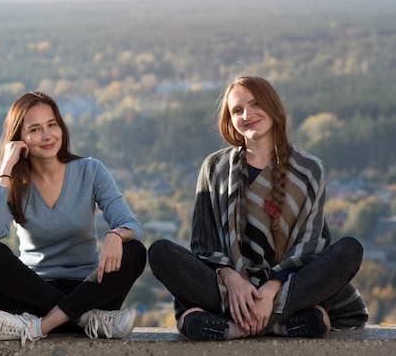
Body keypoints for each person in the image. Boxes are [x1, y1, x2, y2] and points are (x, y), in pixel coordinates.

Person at [148, 76, 368, 341]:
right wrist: (233, 280)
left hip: (287, 285)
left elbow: (310, 246)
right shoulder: (214, 168)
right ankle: (281, 324)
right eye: (237, 110)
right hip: (226, 289)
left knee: (349, 250)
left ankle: (234, 327)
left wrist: (272, 290)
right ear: (229, 121)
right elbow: (203, 244)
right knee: (159, 251)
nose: (247, 115)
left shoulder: (309, 170)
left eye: (255, 104)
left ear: (273, 106)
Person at [0, 91, 146, 346]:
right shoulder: (14, 184)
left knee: (134, 251)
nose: (47, 136)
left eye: (52, 125)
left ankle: (40, 327)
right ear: (19, 139)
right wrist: (5, 168)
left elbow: (131, 225)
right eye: (35, 129)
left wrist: (116, 234)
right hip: (33, 294)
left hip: (88, 290)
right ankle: (84, 320)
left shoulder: (90, 170)